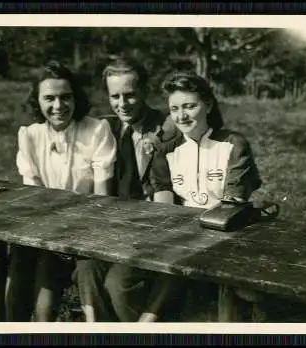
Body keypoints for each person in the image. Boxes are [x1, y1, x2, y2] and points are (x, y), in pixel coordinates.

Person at [5, 60, 118, 322]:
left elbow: (102, 198)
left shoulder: (96, 130)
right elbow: (34, 195)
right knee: (22, 277)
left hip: (87, 232)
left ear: (76, 97)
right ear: (38, 101)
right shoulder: (30, 135)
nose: (58, 106)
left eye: (65, 97)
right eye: (50, 98)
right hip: (45, 233)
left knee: (44, 307)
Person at [148, 71, 266, 317]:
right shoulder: (165, 151)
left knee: (234, 284)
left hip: (228, 232)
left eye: (190, 106)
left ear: (208, 104)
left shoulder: (234, 144)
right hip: (181, 236)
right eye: (175, 108)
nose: (181, 116)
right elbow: (164, 209)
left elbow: (232, 204)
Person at [88, 56, 181, 322]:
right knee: (87, 269)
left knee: (117, 284)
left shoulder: (167, 127)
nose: (122, 104)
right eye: (114, 96)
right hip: (115, 224)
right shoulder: (106, 128)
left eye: (129, 95)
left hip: (154, 226)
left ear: (145, 92)